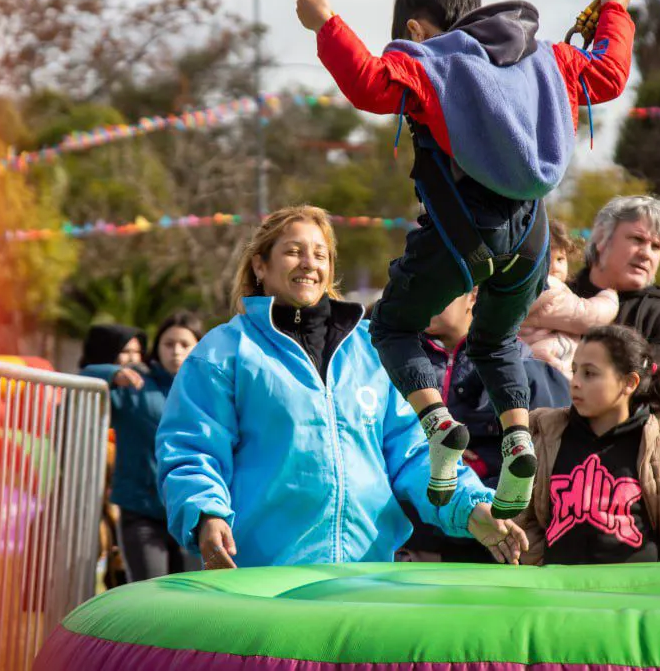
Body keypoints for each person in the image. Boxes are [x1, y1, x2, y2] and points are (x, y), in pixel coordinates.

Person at [295, 0, 635, 518]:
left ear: (414, 29)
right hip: (532, 240)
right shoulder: (549, 58)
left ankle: (439, 425)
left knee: (391, 326)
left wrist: (325, 25)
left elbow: (366, 83)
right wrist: (615, 11)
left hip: (463, 233)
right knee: (495, 342)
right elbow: (610, 74)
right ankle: (519, 442)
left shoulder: (431, 62)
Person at [156, 206, 528, 569]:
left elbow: (415, 453)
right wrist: (206, 514)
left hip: (365, 577)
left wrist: (470, 506)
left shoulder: (373, 348)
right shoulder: (224, 351)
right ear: (260, 265)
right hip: (263, 576)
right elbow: (192, 448)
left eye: (320, 254)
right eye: (293, 251)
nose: (308, 263)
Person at [515, 325, 660, 565]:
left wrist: (655, 579)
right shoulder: (545, 440)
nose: (575, 382)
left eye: (590, 373)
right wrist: (543, 565)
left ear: (629, 383)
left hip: (636, 589)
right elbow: (520, 519)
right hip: (559, 588)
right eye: (574, 370)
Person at [399, 290, 569, 562]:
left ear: (473, 295)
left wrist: (475, 473)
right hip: (410, 539)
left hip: (494, 543)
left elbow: (546, 461)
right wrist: (432, 456)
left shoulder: (521, 369)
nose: (424, 296)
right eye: (420, 285)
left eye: (441, 284)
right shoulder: (394, 357)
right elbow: (388, 444)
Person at [81, 314, 204, 581]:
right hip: (141, 512)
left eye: (185, 344)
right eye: (168, 344)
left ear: (199, 347)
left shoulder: (209, 389)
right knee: (151, 594)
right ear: (157, 347)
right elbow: (83, 378)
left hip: (192, 512)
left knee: (191, 595)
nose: (176, 351)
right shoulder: (136, 383)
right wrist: (113, 373)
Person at [568, 196, 660, 382]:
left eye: (656, 246)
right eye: (637, 239)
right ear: (602, 238)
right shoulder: (555, 295)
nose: (646, 254)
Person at [78, 324, 148, 587]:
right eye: (125, 351)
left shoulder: (140, 394)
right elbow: (86, 373)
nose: (133, 359)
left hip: (124, 499)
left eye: (137, 352)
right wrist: (113, 374)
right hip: (87, 496)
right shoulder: (84, 391)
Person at [519, 220, 619, 378]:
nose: (555, 267)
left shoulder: (523, 290)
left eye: (560, 259)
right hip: (546, 366)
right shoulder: (547, 290)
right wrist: (609, 296)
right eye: (546, 260)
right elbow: (588, 316)